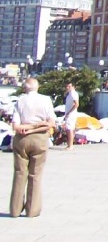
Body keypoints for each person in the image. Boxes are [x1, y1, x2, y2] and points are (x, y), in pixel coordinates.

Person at [9, 77, 56, 218]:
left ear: (25, 88)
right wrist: (36, 126)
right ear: (37, 87)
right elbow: (51, 123)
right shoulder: (46, 100)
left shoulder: (20, 101)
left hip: (21, 140)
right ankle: (32, 210)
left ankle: (15, 209)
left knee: (19, 173)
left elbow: (15, 126)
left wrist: (27, 128)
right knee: (35, 175)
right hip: (40, 139)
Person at [63, 82, 79, 150]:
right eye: (67, 86)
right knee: (69, 129)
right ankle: (69, 144)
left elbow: (76, 104)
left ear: (73, 86)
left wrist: (69, 112)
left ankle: (70, 145)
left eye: (69, 86)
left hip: (71, 114)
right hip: (69, 113)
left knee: (70, 129)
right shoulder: (70, 94)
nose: (67, 88)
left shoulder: (73, 93)